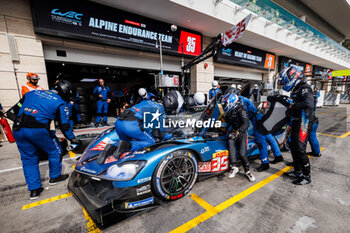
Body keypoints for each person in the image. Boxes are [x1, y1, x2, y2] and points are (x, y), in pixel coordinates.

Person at [12, 80, 81, 199]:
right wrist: (73, 139)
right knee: (56, 151)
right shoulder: (60, 103)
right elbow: (64, 126)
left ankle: (34, 190)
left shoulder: (31, 93)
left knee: (28, 158)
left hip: (18, 128)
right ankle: (54, 177)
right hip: (38, 130)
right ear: (65, 92)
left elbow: (14, 111)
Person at [279, 66, 314, 185]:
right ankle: (298, 171)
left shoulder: (304, 88)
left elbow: (308, 103)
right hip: (297, 120)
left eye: (285, 80)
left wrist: (293, 105)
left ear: (293, 77)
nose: (284, 84)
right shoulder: (297, 89)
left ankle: (306, 175)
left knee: (300, 148)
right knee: (293, 146)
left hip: (304, 121)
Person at [240, 96, 283, 172]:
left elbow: (244, 115)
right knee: (269, 137)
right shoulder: (243, 99)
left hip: (256, 120)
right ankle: (278, 156)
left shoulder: (240, 101)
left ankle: (265, 163)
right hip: (260, 116)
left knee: (260, 142)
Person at [221, 93, 255, 182]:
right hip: (233, 132)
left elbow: (246, 123)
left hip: (242, 133)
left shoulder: (241, 109)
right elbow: (228, 124)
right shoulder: (230, 111)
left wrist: (238, 132)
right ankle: (234, 166)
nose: (225, 106)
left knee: (242, 154)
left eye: (226, 104)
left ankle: (247, 171)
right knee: (230, 140)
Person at [307, 87, 321, 157]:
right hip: (314, 121)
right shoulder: (309, 101)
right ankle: (316, 152)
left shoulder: (305, 102)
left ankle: (316, 152)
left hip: (311, 122)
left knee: (311, 137)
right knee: (312, 137)